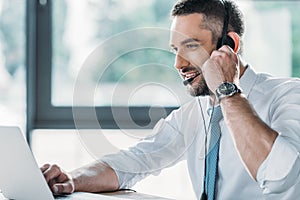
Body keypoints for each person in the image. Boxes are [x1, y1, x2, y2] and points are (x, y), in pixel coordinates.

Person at [41, 0, 300, 199]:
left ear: (228, 46)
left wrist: (226, 90)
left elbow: (281, 177)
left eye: (191, 46)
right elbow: (133, 162)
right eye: (176, 50)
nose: (178, 63)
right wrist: (70, 179)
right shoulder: (193, 114)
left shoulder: (287, 96)